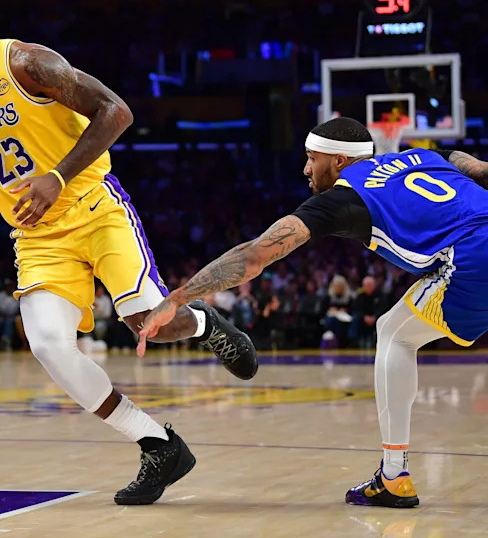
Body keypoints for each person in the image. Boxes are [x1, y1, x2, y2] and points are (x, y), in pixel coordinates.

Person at [0, 0, 258, 505]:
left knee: (146, 320)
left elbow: (116, 112)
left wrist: (56, 175)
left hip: (94, 207)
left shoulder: (30, 63)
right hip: (36, 235)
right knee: (50, 345)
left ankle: (209, 325)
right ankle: (156, 444)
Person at [138, 116, 488, 508]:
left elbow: (253, 256)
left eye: (311, 158)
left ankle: (393, 476)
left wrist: (177, 298)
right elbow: (468, 164)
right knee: (396, 328)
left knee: (394, 333)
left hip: (474, 258)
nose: (306, 169)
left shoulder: (342, 199)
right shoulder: (421, 156)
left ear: (338, 162)